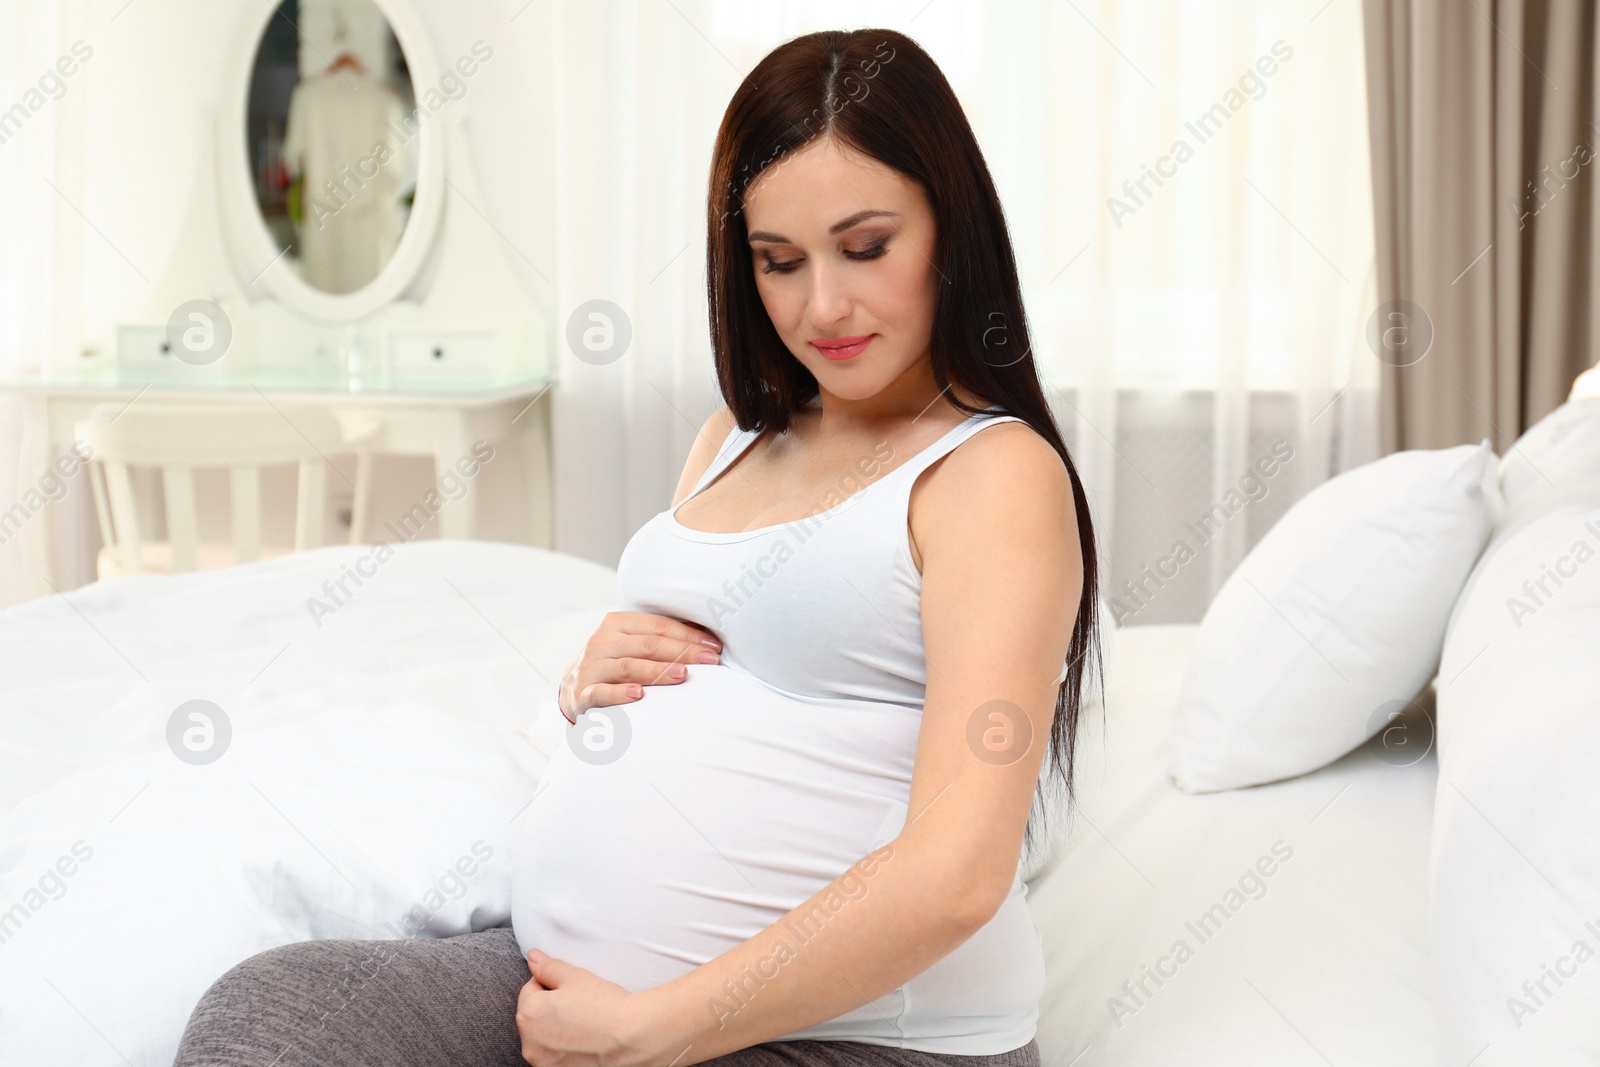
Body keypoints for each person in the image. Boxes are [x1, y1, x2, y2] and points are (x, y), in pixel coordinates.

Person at [173, 27, 1102, 1067]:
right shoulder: (733, 435)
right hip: (576, 989)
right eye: (778, 262)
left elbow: (959, 871)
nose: (821, 306)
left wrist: (656, 1029)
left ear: (950, 227)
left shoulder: (991, 475)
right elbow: (724, 667)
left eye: (866, 245)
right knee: (271, 1018)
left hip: (845, 1033)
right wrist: (598, 679)